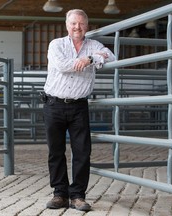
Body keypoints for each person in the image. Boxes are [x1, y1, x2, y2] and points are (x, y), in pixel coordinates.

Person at [42, 9, 115, 212]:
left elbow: (112, 56)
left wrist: (90, 58)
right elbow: (62, 65)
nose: (77, 27)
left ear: (87, 26)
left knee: (82, 152)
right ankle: (59, 194)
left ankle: (78, 196)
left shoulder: (93, 46)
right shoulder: (56, 44)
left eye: (81, 24)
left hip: (78, 106)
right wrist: (86, 61)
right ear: (67, 25)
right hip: (54, 104)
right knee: (55, 151)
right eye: (74, 23)